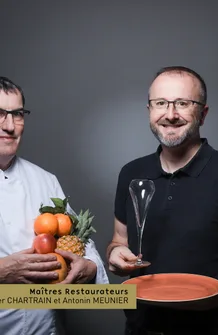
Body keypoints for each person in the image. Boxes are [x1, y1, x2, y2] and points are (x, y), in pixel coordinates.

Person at [107, 66, 218, 335]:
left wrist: (215, 298)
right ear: (149, 110)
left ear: (203, 114)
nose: (170, 114)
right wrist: (115, 255)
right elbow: (118, 241)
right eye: (160, 103)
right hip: (139, 329)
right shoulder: (131, 173)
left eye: (183, 104)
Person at [0, 76, 109, 335]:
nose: (10, 125)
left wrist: (90, 266)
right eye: (0, 114)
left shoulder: (45, 180)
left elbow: (78, 241)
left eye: (17, 114)